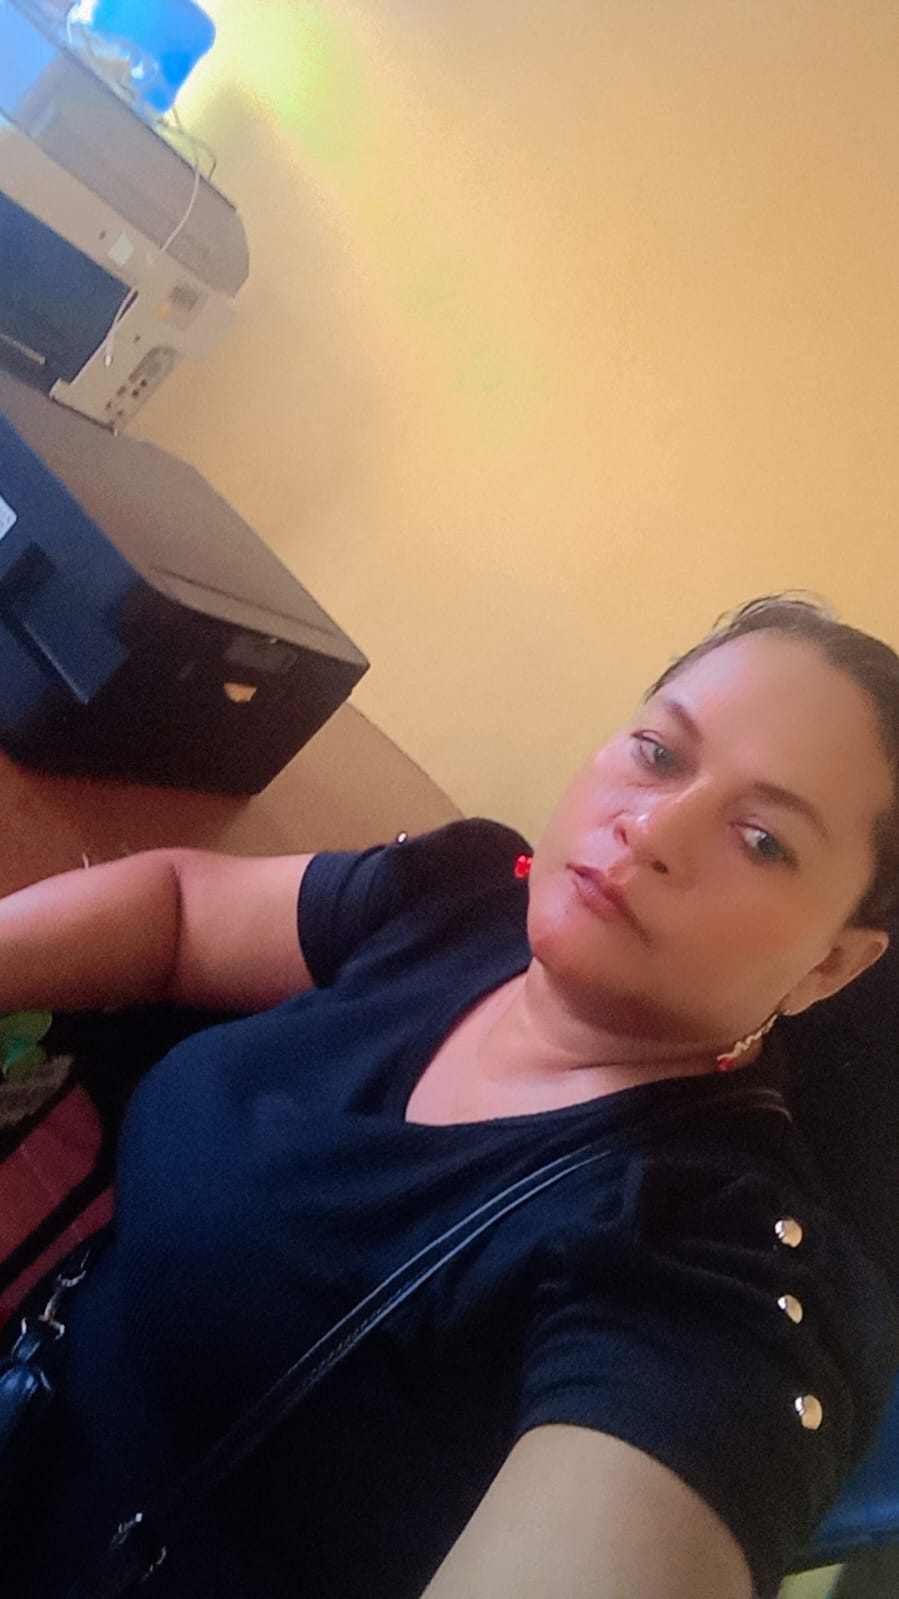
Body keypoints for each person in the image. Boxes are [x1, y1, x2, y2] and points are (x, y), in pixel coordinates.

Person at [1, 592, 898, 1599]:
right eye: (658, 752)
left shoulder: (707, 1263)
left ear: (829, 964)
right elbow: (182, 909)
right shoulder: (466, 899)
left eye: (763, 840)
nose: (652, 827)